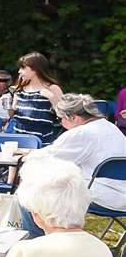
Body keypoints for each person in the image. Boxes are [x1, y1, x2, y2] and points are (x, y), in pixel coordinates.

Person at [13, 94, 126, 237]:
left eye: (60, 118)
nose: (60, 123)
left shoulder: (81, 133)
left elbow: (50, 157)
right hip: (122, 195)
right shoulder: (110, 127)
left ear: (73, 117)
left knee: (30, 197)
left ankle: (35, 243)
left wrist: (28, 155)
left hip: (102, 196)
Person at [7, 52, 64, 145]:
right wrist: (7, 104)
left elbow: (64, 115)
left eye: (23, 68)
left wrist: (51, 97)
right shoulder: (20, 89)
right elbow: (13, 115)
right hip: (19, 141)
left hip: (43, 144)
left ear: (35, 69)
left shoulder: (52, 88)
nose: (19, 71)